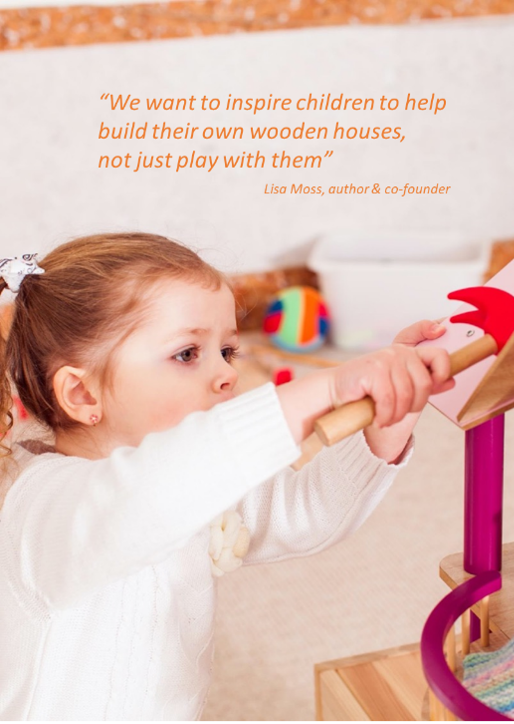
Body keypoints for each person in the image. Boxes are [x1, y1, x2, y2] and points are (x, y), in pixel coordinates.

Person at [0, 233, 454, 721]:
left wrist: (384, 421)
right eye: (187, 354)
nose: (227, 374)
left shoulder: (199, 486)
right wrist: (324, 388)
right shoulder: (43, 507)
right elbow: (147, 496)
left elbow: (302, 513)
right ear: (83, 395)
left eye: (229, 351)